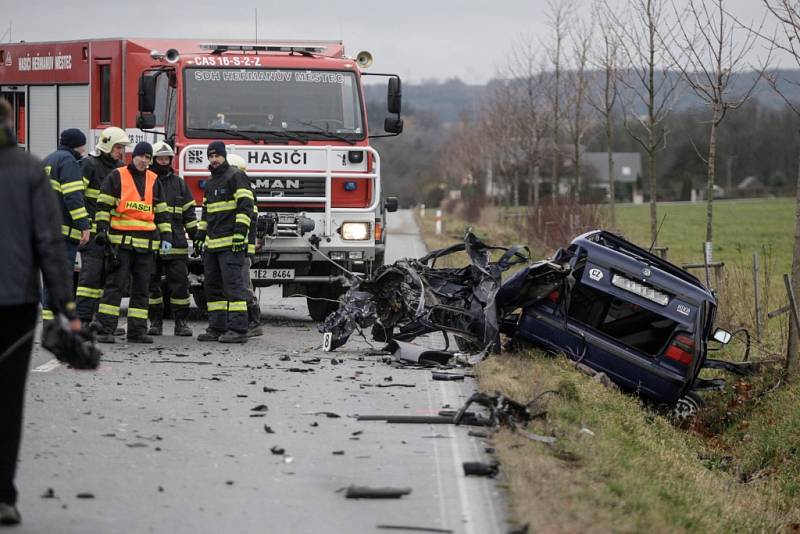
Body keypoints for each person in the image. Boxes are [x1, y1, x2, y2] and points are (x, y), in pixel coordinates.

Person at [0, 99, 81, 526]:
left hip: (16, 298)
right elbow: (50, 244)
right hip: (14, 304)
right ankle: (3, 495)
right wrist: (66, 308)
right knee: (7, 403)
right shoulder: (30, 171)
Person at [93, 142, 172, 344]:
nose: (145, 161)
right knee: (115, 286)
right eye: (141, 156)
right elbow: (103, 204)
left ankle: (137, 331)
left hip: (146, 245)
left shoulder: (154, 179)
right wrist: (101, 230)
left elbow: (162, 212)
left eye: (148, 158)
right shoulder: (117, 175)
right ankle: (104, 330)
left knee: (141, 288)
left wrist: (167, 237)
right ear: (133, 156)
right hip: (122, 244)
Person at [194, 141, 253, 343]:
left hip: (231, 245)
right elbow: (206, 214)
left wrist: (239, 235)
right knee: (213, 287)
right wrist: (200, 237)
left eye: (217, 155)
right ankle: (217, 328)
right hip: (213, 246)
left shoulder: (236, 176)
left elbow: (245, 207)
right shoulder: (210, 182)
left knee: (234, 287)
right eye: (210, 156)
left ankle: (238, 330)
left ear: (224, 156)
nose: (214, 159)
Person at [75, 127, 130, 332]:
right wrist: (83, 225)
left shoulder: (121, 169)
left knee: (110, 278)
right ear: (106, 145)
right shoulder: (89, 165)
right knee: (90, 277)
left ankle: (103, 321)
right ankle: (82, 320)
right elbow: (77, 195)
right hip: (93, 232)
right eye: (118, 147)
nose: (121, 151)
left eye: (122, 148)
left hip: (113, 232)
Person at [147, 141, 198, 337]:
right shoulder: (147, 181)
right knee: (152, 286)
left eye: (166, 158)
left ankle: (181, 323)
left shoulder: (179, 184)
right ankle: (156, 323)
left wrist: (197, 237)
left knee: (180, 286)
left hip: (176, 244)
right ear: (153, 160)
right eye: (160, 158)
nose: (163, 161)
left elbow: (189, 214)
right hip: (151, 241)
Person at [40, 128, 91, 323]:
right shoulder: (68, 161)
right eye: (82, 145)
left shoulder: (48, 160)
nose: (84, 149)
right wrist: (84, 226)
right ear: (76, 145)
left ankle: (49, 323)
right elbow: (73, 197)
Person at [226, 153, 262, 337]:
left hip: (242, 249)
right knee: (238, 284)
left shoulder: (245, 192)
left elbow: (249, 222)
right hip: (236, 248)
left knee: (243, 284)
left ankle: (254, 322)